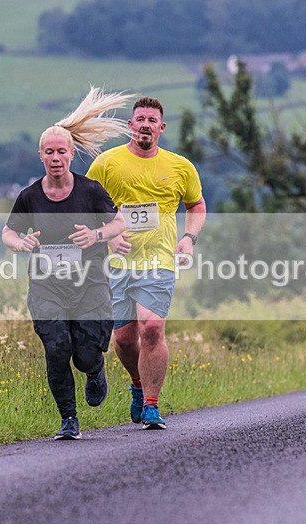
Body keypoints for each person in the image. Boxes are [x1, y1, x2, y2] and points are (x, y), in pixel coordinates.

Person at [2, 86, 131, 439]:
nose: (55, 157)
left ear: (71, 154)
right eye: (49, 152)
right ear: (40, 156)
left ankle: (95, 370)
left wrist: (97, 236)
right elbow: (8, 234)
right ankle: (68, 420)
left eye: (61, 151)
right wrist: (22, 242)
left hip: (90, 284)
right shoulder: (28, 197)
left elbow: (119, 222)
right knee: (57, 348)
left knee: (85, 356)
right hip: (47, 287)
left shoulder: (89, 191)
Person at [86, 96, 206, 430]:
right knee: (124, 340)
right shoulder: (107, 164)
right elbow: (86, 205)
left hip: (159, 262)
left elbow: (196, 205)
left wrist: (188, 238)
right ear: (130, 125)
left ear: (161, 128)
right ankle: (137, 385)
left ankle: (151, 406)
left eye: (152, 120)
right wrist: (108, 235)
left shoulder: (180, 166)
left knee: (151, 328)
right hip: (117, 264)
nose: (145, 125)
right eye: (140, 119)